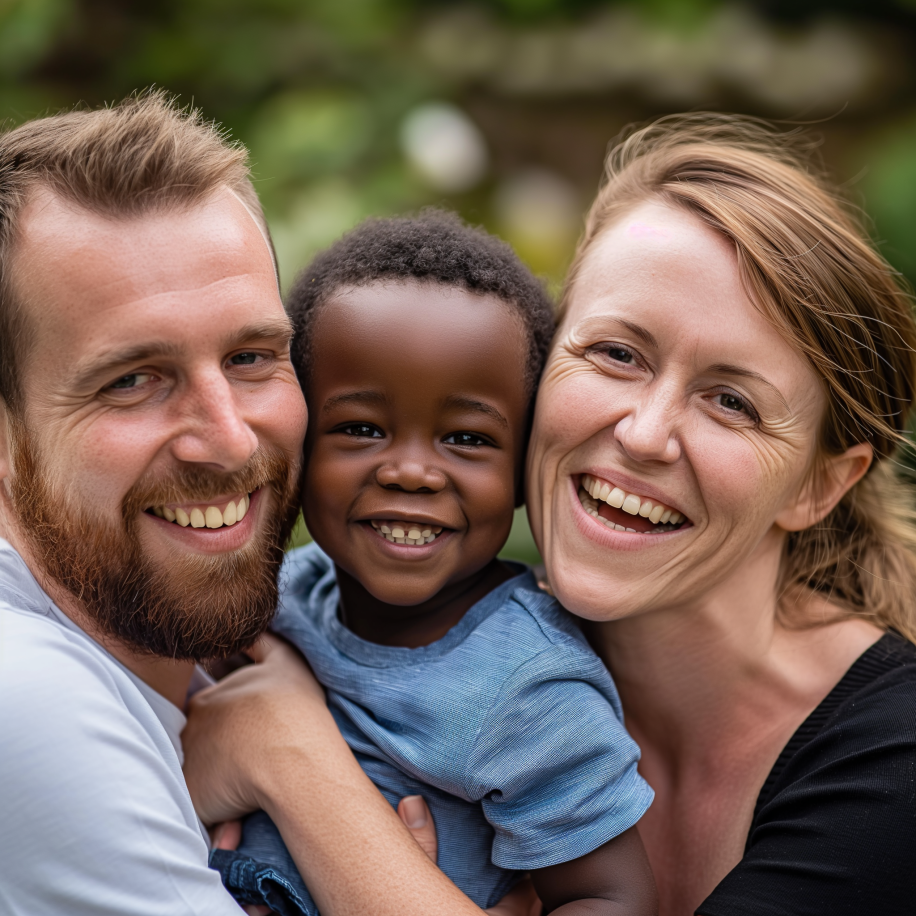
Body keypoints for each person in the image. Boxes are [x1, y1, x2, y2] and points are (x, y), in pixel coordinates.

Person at [184, 114, 916, 916]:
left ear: (822, 485)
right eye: (617, 354)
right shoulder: (383, 619)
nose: (644, 435)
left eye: (732, 401)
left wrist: (294, 765)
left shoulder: (890, 767)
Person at [210, 212, 657, 916]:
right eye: (360, 428)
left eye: (466, 438)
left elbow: (611, 896)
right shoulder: (282, 597)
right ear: (294, 445)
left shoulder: (527, 687)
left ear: (522, 468)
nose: (413, 471)